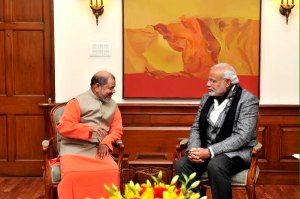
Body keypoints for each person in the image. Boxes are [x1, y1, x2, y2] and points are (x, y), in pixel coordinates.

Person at [175, 63, 259, 199]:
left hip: (235, 153)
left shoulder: (248, 100)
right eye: (208, 80)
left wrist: (209, 152)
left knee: (216, 165)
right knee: (182, 164)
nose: (207, 84)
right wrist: (194, 150)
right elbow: (196, 127)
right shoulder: (206, 98)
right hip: (205, 150)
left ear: (227, 82)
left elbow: (242, 137)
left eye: (213, 81)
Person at [57, 71, 123, 199]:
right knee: (72, 175)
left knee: (112, 171)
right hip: (73, 149)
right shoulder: (76, 102)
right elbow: (64, 127)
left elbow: (117, 130)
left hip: (97, 149)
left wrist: (106, 142)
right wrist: (88, 128)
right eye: (111, 87)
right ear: (97, 87)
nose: (114, 91)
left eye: (114, 87)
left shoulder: (113, 106)